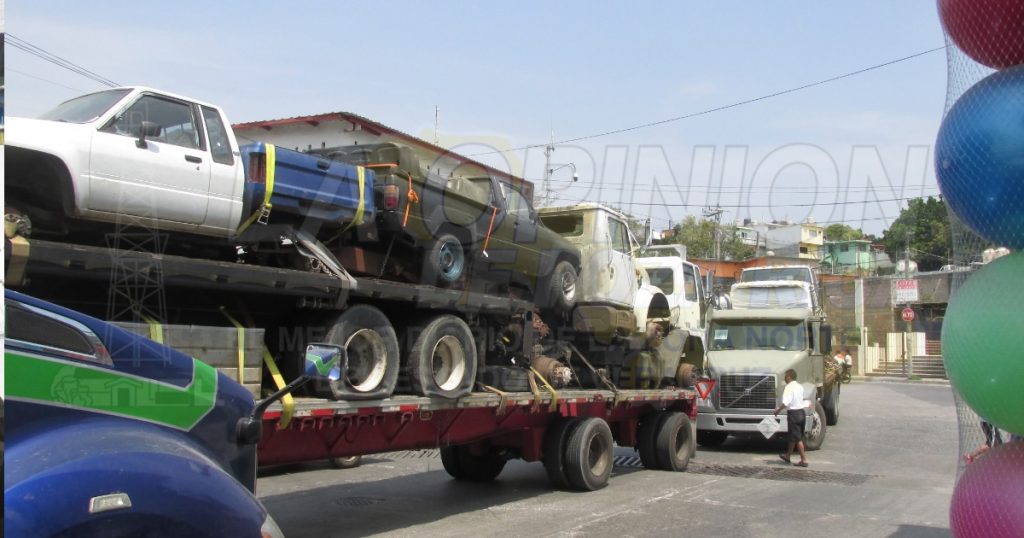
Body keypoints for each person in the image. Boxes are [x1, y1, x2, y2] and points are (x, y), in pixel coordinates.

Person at [774, 369, 808, 467]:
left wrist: (778, 410)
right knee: (794, 436)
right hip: (802, 412)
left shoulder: (789, 387)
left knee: (798, 438)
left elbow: (786, 402)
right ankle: (788, 456)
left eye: (785, 376)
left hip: (794, 414)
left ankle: (804, 460)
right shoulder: (799, 386)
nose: (784, 378)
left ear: (789, 376)